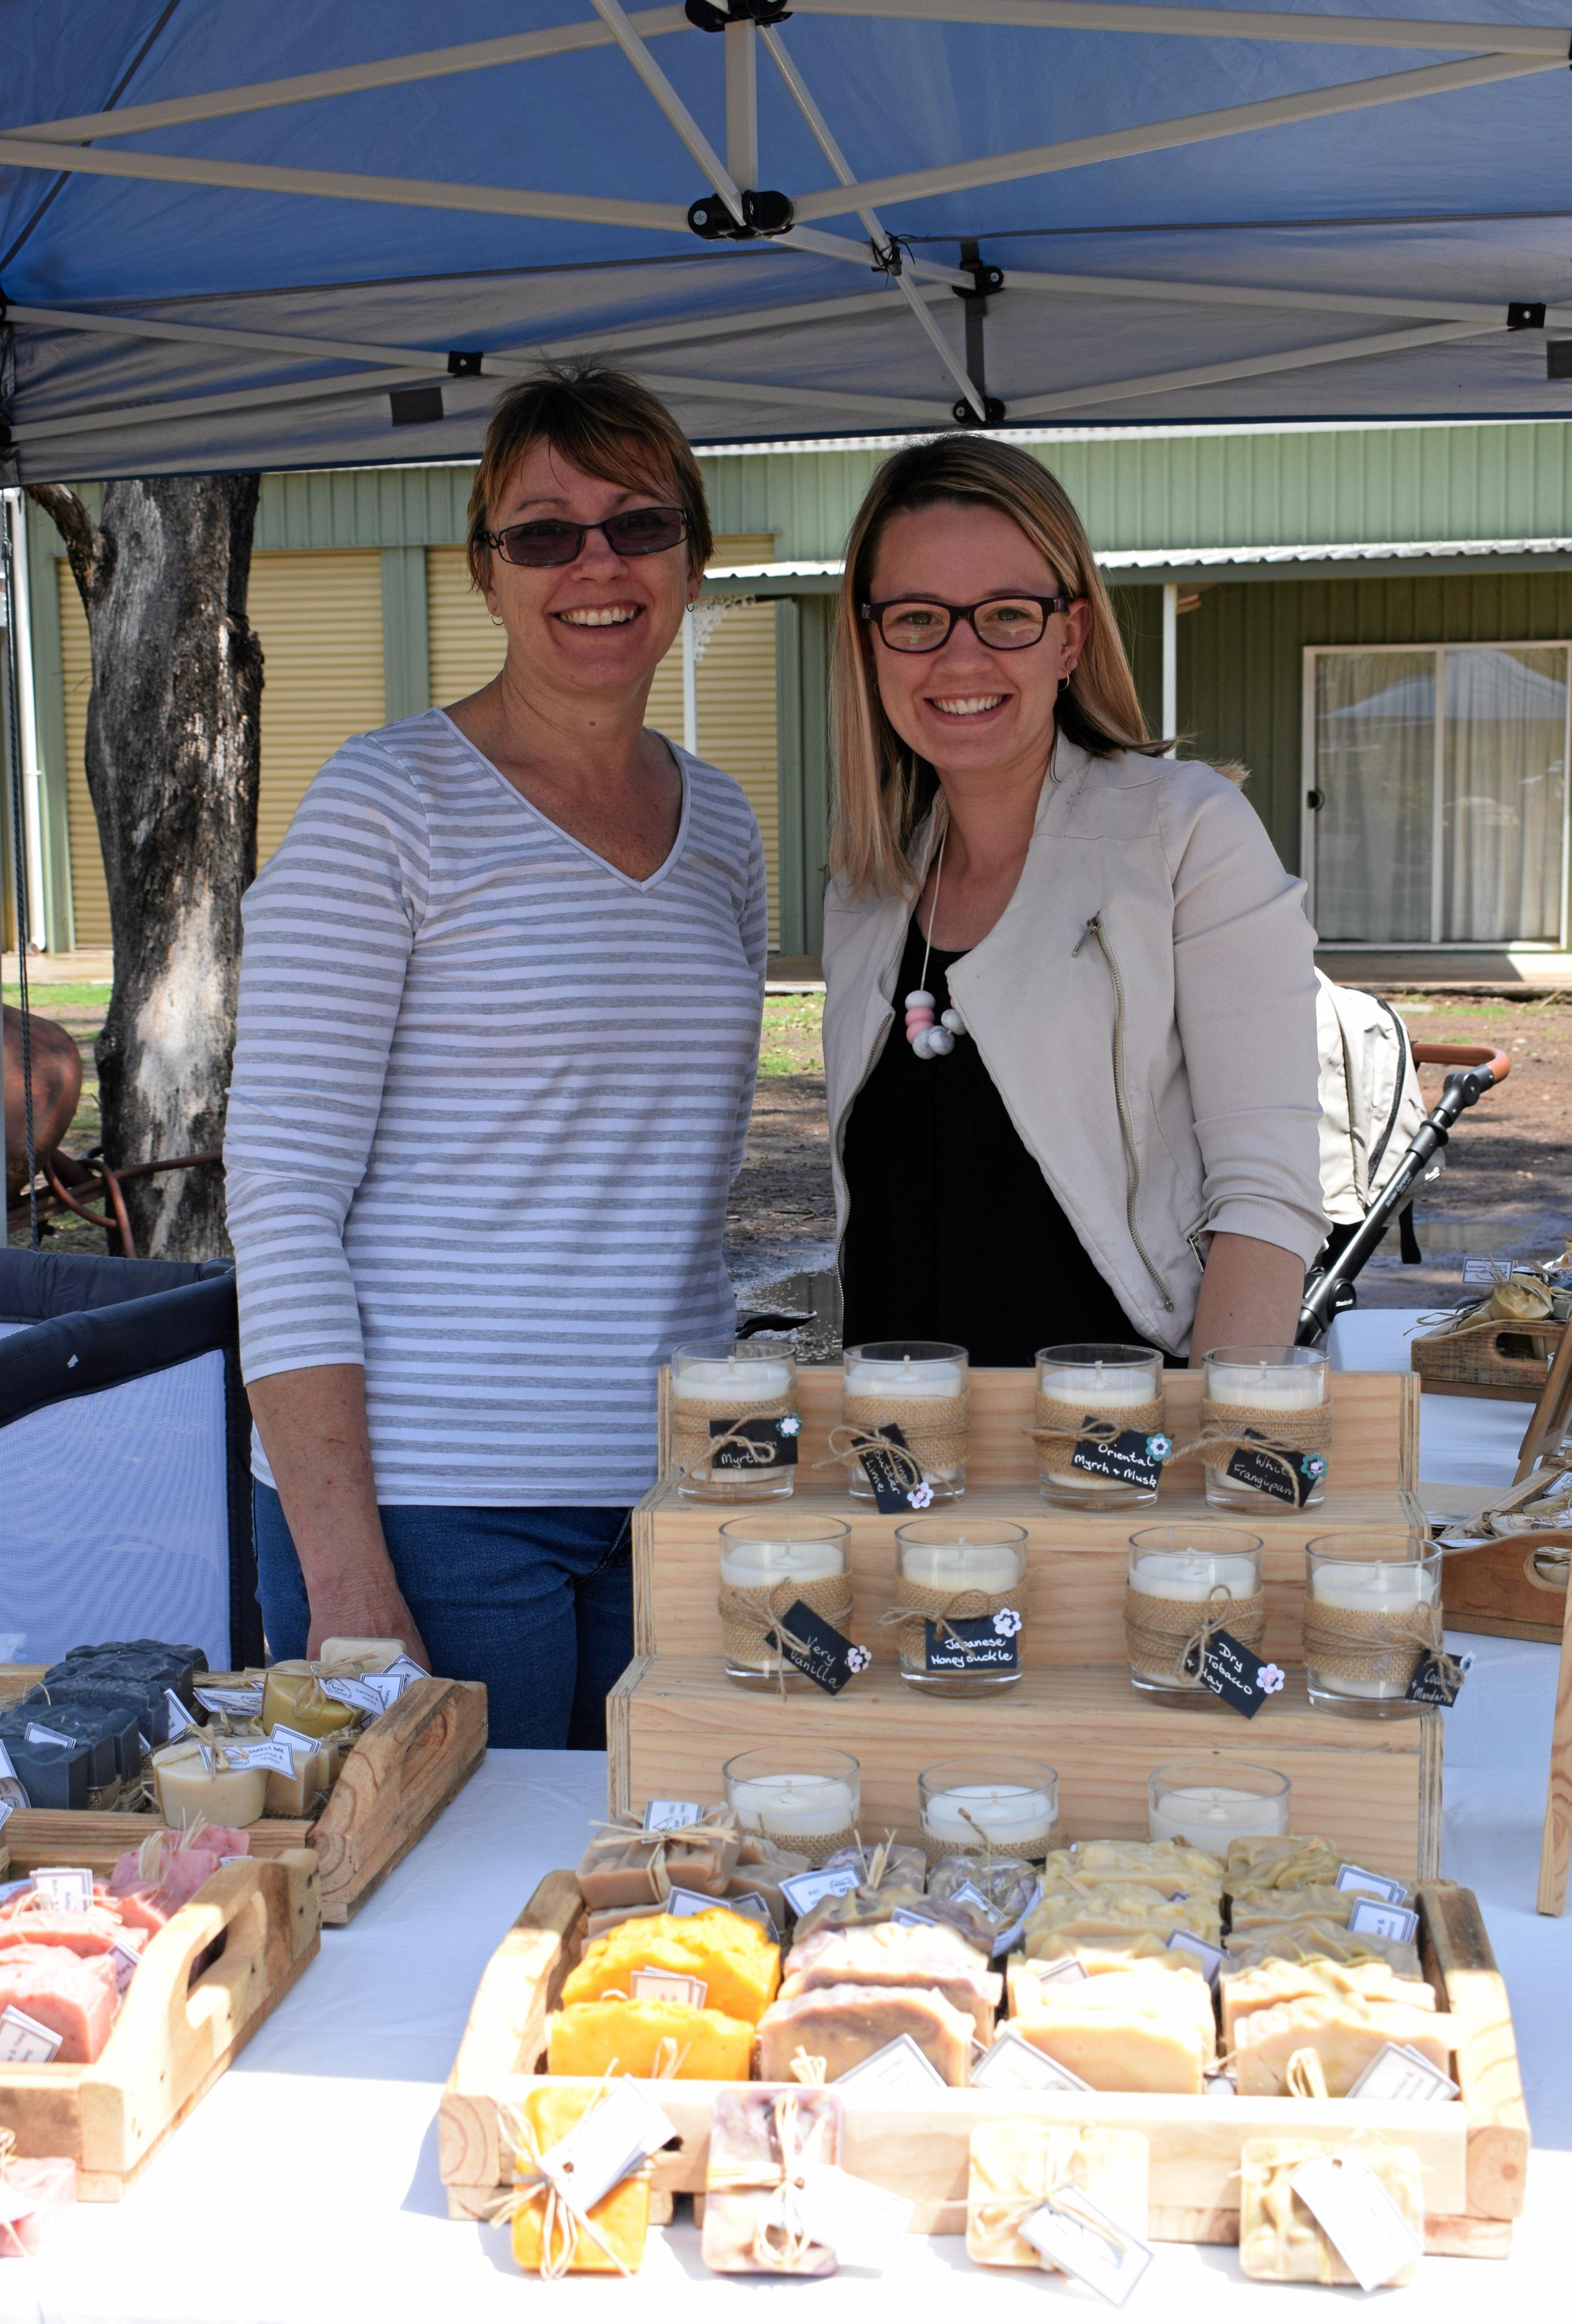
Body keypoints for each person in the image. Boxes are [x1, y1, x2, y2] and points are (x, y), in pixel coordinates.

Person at [224, 364, 767, 1746]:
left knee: (647, 1921)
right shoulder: (384, 803)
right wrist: (346, 1573)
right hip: (434, 1508)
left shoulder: (723, 824)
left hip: (674, 1499)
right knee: (456, 1927)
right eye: (544, 531)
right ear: (486, 571)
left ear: (692, 560)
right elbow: (281, 1194)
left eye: (639, 524)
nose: (597, 564)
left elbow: (679, 1181)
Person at [823, 435, 1323, 1368]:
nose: (960, 657)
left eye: (1007, 614)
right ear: (868, 640)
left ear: (1070, 635)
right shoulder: (869, 883)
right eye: (918, 617)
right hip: (902, 1462)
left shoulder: (1181, 835)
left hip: (1117, 1468)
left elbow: (1267, 1195)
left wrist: (1213, 1455)